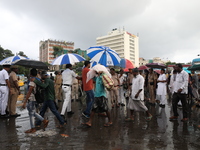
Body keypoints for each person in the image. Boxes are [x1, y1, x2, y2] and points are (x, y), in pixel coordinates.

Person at [22, 68, 49, 133]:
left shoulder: (32, 81)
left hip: (31, 98)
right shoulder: (38, 80)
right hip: (35, 98)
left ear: (30, 74)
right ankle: (42, 121)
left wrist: (25, 101)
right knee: (32, 113)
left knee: (31, 113)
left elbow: (29, 91)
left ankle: (34, 127)